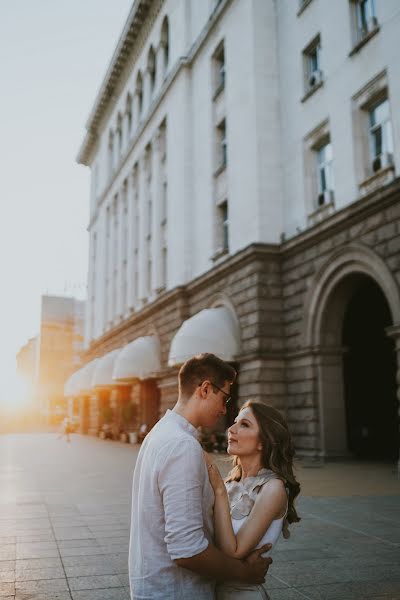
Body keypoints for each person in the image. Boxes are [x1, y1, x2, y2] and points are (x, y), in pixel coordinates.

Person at [128, 354, 272, 599]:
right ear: (205, 389)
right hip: (176, 591)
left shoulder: (161, 433)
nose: (224, 410)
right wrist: (245, 573)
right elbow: (187, 550)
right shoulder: (181, 445)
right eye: (224, 398)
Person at [205, 401, 301, 599]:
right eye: (234, 422)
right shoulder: (230, 483)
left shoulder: (273, 488)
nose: (231, 429)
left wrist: (219, 492)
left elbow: (234, 552)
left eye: (244, 424)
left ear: (263, 441)